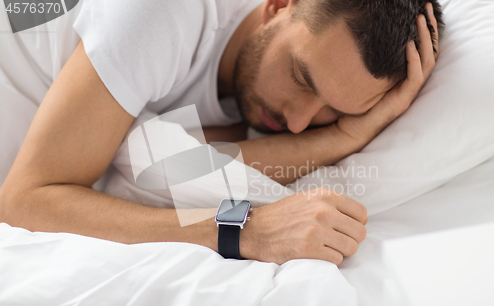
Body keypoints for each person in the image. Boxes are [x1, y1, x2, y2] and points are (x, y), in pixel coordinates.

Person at [0, 0, 442, 265]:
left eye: (333, 111)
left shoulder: (259, 104)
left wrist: (343, 139)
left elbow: (153, 169)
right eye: (302, 78)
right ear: (278, 5)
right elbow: (25, 202)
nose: (297, 122)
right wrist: (242, 230)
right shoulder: (163, 13)